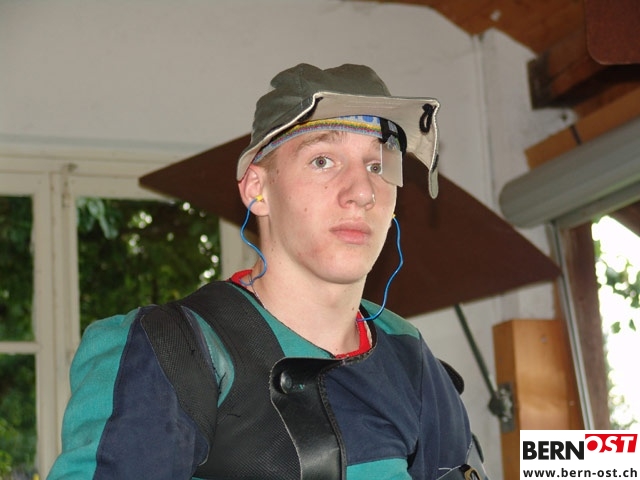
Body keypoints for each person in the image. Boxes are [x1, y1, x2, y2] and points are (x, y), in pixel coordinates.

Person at [48, 63, 490, 480]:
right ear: (257, 190)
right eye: (323, 160)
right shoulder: (169, 349)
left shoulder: (407, 354)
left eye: (377, 166)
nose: (362, 192)